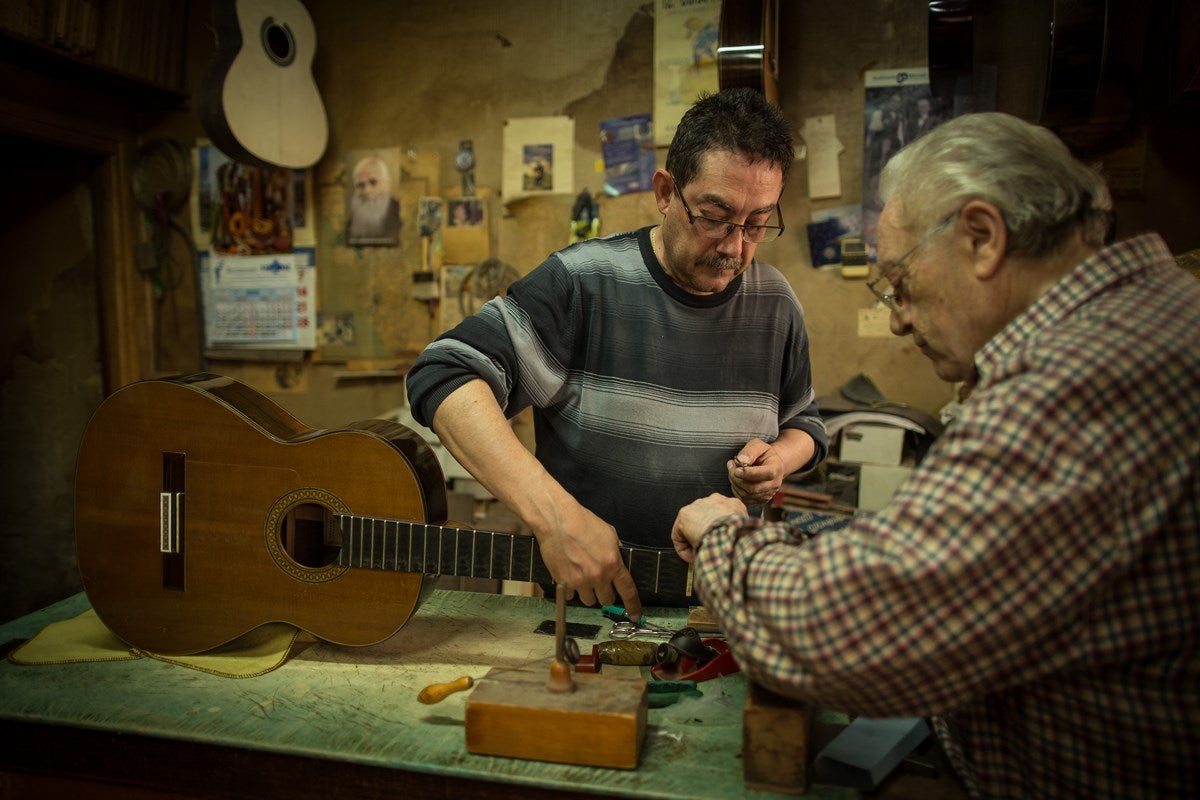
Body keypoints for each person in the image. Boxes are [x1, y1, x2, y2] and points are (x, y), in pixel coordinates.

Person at [671, 112, 1200, 798]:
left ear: (982, 238)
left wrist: (721, 539)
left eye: (900, 282)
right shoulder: (1157, 309)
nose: (896, 317)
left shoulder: (1079, 384)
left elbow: (843, 636)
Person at [406, 88, 828, 618]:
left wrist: (779, 460)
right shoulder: (583, 283)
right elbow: (443, 373)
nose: (733, 247)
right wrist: (555, 518)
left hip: (727, 616)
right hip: (588, 614)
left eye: (757, 223)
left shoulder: (776, 303)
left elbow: (805, 424)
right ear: (666, 192)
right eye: (715, 217)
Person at [346, 154, 401, 244]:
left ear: (387, 185)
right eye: (360, 185)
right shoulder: (349, 226)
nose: (367, 191)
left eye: (373, 182)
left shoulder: (400, 216)